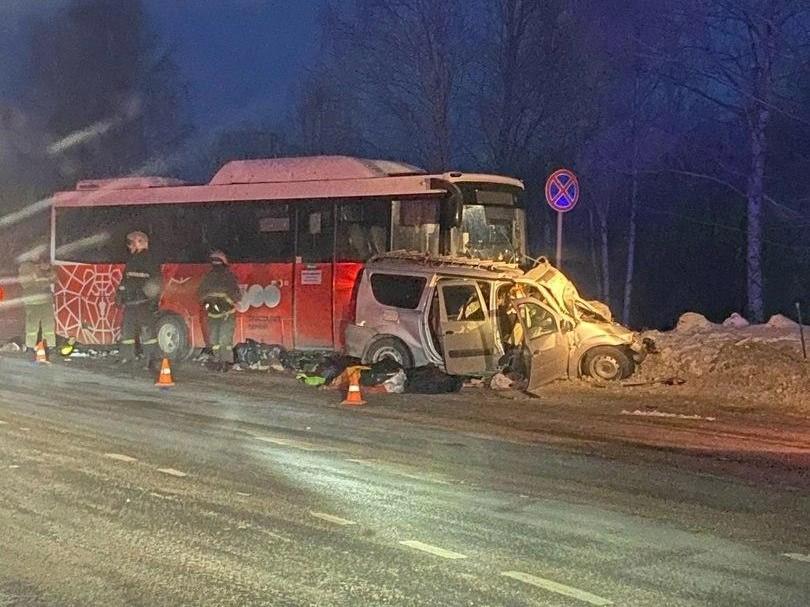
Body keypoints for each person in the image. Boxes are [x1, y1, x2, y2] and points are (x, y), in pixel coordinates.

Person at [116, 231, 162, 368]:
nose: (129, 246)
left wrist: (152, 301)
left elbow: (156, 282)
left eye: (131, 243)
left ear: (140, 242)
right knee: (127, 331)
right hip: (130, 302)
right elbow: (125, 279)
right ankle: (127, 357)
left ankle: (151, 360)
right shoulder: (132, 259)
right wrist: (119, 294)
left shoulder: (151, 259)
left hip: (143, 303)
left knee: (147, 331)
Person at [197, 250, 241, 372]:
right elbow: (237, 296)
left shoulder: (215, 277)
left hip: (221, 314)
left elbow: (200, 294)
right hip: (219, 314)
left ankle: (224, 363)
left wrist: (208, 304)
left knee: (220, 340)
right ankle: (221, 362)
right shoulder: (224, 276)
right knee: (218, 340)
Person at [17, 254, 55, 351]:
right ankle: (30, 346)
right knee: (32, 326)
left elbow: (54, 279)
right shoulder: (25, 267)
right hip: (32, 301)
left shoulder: (45, 266)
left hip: (46, 301)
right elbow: (27, 283)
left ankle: (49, 345)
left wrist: (48, 270)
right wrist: (41, 271)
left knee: (49, 325)